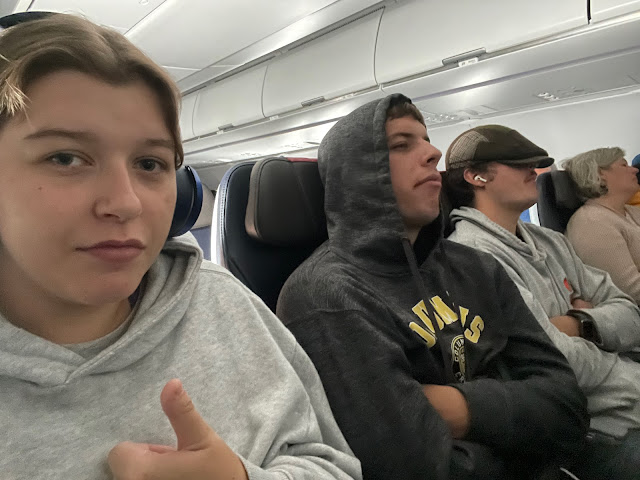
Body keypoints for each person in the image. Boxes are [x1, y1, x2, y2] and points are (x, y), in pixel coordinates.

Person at [0, 14, 362, 480]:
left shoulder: (224, 302)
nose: (126, 202)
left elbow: (333, 466)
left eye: (150, 163)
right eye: (65, 157)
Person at [276, 94, 588, 480]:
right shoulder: (327, 295)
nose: (433, 153)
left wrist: (460, 408)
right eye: (401, 144)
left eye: (425, 140)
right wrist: (520, 424)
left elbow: (568, 407)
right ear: (357, 173)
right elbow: (416, 468)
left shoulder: (477, 267)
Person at [443, 125, 640, 480]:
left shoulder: (550, 241)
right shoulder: (471, 255)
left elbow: (630, 310)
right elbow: (557, 362)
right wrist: (620, 358)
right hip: (592, 425)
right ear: (476, 177)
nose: (533, 172)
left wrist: (582, 323)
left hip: (624, 397)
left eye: (533, 164)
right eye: (518, 165)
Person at [564, 148, 640, 304]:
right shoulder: (591, 223)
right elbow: (630, 292)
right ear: (601, 175)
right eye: (624, 165)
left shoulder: (631, 212)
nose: (635, 170)